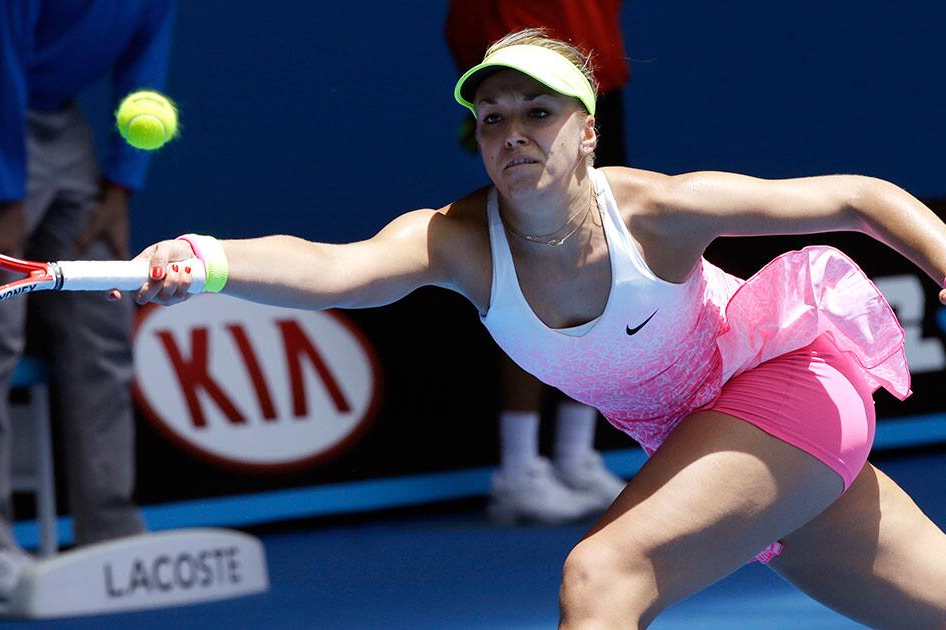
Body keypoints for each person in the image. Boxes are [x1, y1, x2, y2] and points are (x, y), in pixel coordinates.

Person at [124, 29, 946, 627]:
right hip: (712, 445)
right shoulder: (453, 240)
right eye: (490, 117)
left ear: (588, 131)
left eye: (538, 110)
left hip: (789, 388)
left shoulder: (655, 211)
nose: (511, 129)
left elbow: (860, 198)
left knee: (603, 574)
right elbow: (330, 269)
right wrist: (207, 257)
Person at [0, 0, 175, 601]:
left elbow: (144, 66)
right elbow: (1, 52)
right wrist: (3, 189)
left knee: (105, 311)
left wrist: (123, 184)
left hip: (56, 118)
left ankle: (111, 528)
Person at [446, 1, 630, 525]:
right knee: (527, 275)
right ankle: (520, 469)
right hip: (534, 95)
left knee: (603, 270)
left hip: (596, 88)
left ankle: (574, 455)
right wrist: (510, 103)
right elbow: (461, 22)